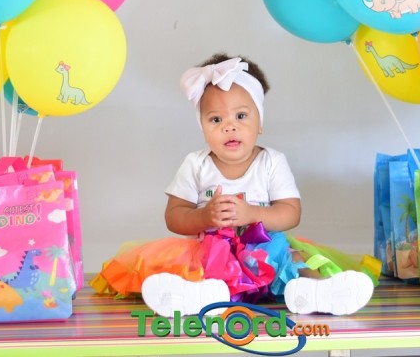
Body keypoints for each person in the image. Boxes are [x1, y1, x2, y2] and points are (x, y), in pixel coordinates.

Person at [91, 53, 378, 316]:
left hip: (265, 253)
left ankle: (315, 291)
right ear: (203, 128)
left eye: (241, 116)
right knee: (192, 264)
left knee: (294, 256)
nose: (229, 126)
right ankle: (198, 295)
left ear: (259, 122)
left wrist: (253, 214)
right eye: (216, 119)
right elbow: (174, 216)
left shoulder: (271, 162)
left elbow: (291, 213)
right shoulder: (196, 164)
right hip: (211, 252)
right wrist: (203, 217)